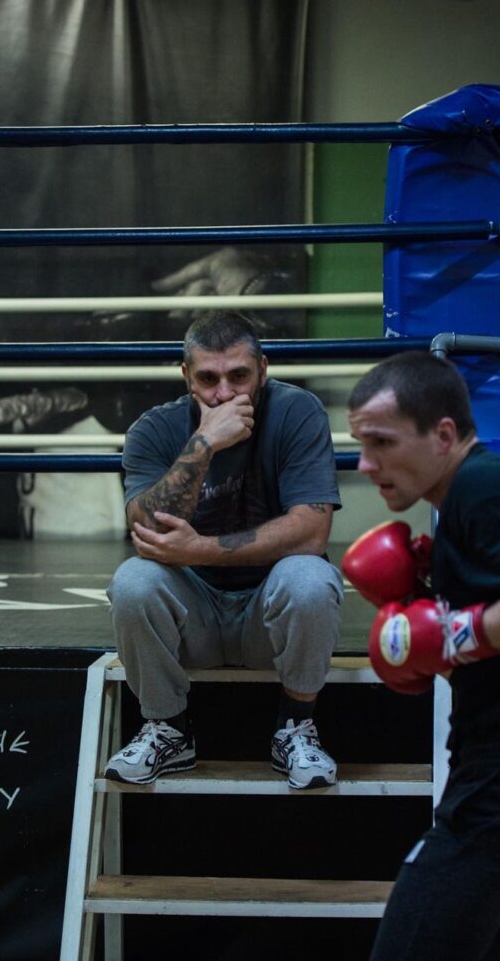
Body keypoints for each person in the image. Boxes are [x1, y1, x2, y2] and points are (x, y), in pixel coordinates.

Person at [344, 350, 500, 961]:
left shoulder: (487, 485)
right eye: (361, 444)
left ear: (443, 434)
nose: (365, 463)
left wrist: (450, 634)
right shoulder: (464, 503)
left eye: (382, 442)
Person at [105, 311, 343, 789]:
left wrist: (199, 548)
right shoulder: (154, 429)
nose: (224, 394)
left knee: (310, 578)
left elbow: (311, 533)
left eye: (239, 376)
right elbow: (149, 530)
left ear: (263, 369)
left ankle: (295, 725)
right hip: (195, 621)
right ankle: (168, 730)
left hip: (269, 619)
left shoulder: (298, 412)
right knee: (131, 581)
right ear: (185, 376)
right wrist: (204, 442)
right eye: (208, 379)